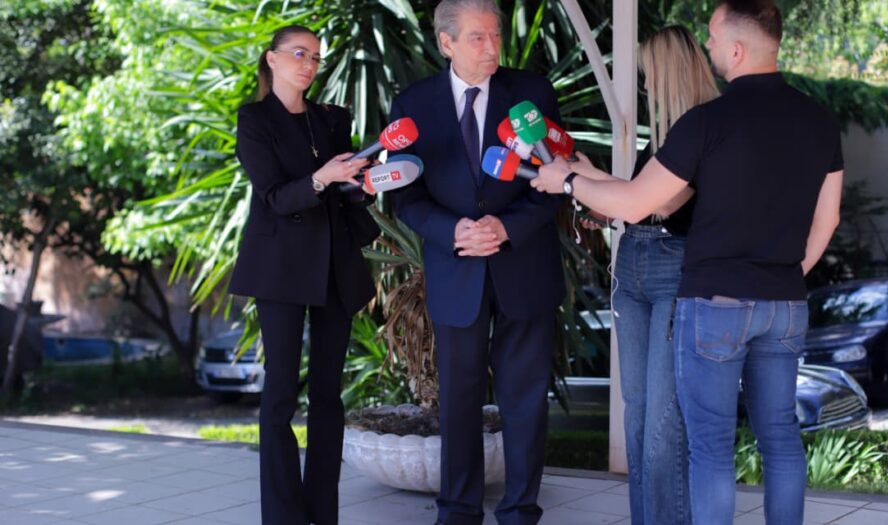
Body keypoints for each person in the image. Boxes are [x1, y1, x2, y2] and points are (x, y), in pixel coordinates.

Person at [531, 1, 844, 524]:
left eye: (714, 37)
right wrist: (787, 275)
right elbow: (828, 219)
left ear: (737, 50)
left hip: (714, 304)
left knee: (711, 449)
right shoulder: (820, 120)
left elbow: (637, 204)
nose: (709, 46)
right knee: (781, 439)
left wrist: (566, 181)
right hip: (786, 305)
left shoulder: (706, 122)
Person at [387, 1, 564, 523]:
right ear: (447, 43)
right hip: (455, 268)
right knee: (458, 400)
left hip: (524, 265)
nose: (492, 48)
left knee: (525, 400)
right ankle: (458, 512)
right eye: (477, 38)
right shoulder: (413, 104)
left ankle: (520, 512)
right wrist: (453, 231)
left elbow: (557, 180)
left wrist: (507, 227)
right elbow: (405, 196)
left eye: (495, 36)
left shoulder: (532, 95)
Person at [229, 24, 380, 525]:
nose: (309, 64)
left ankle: (322, 512)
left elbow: (346, 191)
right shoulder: (255, 120)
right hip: (281, 269)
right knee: (279, 397)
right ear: (272, 59)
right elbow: (274, 196)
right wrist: (322, 178)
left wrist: (362, 186)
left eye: (315, 56)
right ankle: (283, 516)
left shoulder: (331, 118)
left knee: (327, 396)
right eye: (299, 54)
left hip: (333, 265)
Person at [574, 25, 719, 525]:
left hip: (675, 267)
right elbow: (637, 202)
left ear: (668, 71)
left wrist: (582, 180)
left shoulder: (703, 129)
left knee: (662, 420)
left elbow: (660, 203)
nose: (644, 83)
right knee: (637, 414)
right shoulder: (662, 134)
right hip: (633, 260)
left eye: (648, 73)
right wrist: (598, 191)